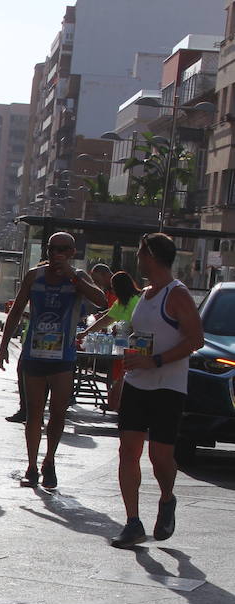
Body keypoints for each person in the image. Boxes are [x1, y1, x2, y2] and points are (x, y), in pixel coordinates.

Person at [110, 233, 204, 548]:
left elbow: (196, 340)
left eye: (140, 254)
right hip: (137, 384)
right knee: (127, 451)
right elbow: (137, 337)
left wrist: (157, 361)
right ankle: (132, 522)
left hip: (167, 386)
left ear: (150, 255)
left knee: (159, 456)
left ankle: (166, 498)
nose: (137, 261)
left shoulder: (177, 295)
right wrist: (122, 371)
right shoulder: (146, 294)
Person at [0, 232, 108, 489]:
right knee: (34, 412)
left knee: (58, 412)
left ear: (72, 253)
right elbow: (15, 311)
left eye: (63, 249)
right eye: (52, 248)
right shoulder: (34, 276)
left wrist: (73, 277)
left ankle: (50, 460)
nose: (56, 253)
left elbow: (102, 301)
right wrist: (3, 346)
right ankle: (32, 466)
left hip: (63, 357)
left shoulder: (78, 277)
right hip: (34, 354)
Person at [80, 270, 141, 337]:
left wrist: (120, 329)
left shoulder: (136, 301)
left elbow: (138, 326)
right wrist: (85, 333)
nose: (113, 291)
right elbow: (104, 321)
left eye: (113, 288)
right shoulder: (119, 303)